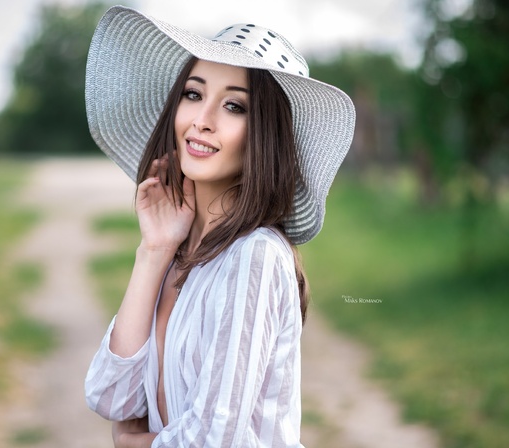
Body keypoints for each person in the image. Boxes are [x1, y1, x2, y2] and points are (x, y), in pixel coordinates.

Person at [84, 6, 355, 447]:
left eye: (233, 105)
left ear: (264, 133)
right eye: (193, 94)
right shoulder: (176, 254)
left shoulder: (255, 256)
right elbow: (110, 396)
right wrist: (153, 250)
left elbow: (214, 440)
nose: (201, 120)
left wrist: (136, 444)